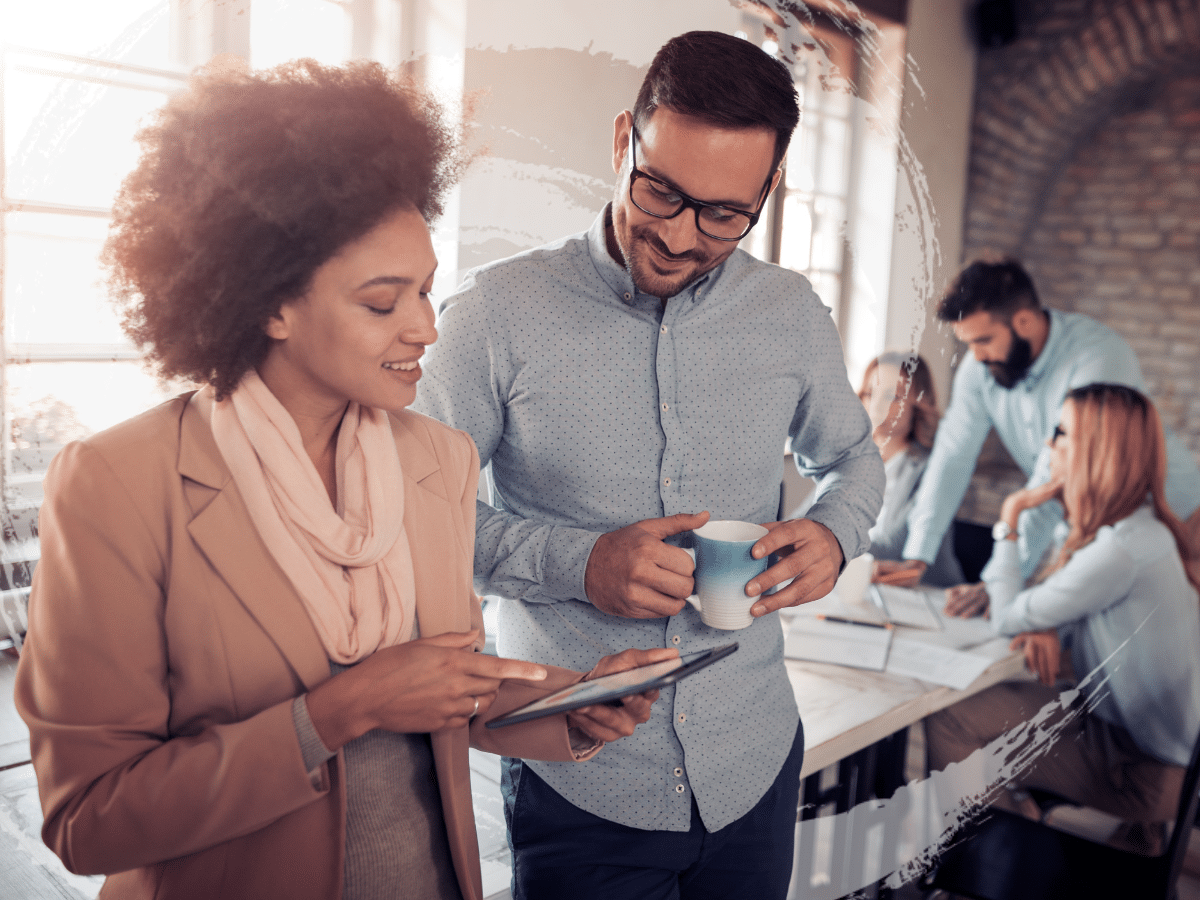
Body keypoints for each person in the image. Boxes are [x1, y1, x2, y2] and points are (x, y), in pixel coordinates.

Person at [13, 59, 671, 900]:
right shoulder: (117, 485)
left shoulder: (439, 461)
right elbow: (90, 819)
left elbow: (443, 691)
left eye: (428, 292)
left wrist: (568, 707)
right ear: (270, 304)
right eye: (382, 302)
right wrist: (335, 713)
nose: (427, 329)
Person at [414, 30, 884, 899]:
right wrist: (579, 564)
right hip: (580, 778)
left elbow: (854, 461)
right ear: (624, 138)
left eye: (722, 215)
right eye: (660, 190)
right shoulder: (491, 317)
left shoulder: (790, 315)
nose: (676, 236)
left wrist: (833, 533)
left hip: (754, 765)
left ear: (767, 192)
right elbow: (411, 519)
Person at [925, 383, 1200, 850]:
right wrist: (1046, 620)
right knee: (1013, 705)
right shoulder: (1141, 529)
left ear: (1096, 450)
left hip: (1140, 768)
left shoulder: (1121, 550)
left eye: (1060, 433)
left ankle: (1006, 855)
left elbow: (1007, 617)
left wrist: (1010, 516)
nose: (1048, 446)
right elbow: (1057, 599)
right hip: (1165, 752)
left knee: (951, 721)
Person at [886, 258, 1200, 616]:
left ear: (1024, 321)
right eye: (968, 343)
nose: (976, 356)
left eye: (984, 340)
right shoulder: (981, 368)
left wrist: (997, 580)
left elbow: (1052, 474)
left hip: (1176, 513)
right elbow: (951, 457)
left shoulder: (1097, 356)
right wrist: (917, 555)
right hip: (1094, 516)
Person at [858, 352, 964, 588]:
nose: (877, 405)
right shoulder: (850, 459)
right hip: (867, 584)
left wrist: (824, 543)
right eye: (869, 393)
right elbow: (804, 518)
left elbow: (893, 548)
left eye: (892, 396)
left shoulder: (933, 468)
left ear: (918, 405)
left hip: (930, 595)